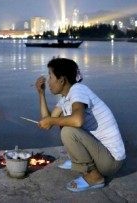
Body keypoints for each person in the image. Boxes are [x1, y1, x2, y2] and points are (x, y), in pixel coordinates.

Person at [35, 57, 125, 192]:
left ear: (62, 80)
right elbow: (48, 122)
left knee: (68, 130)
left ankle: (94, 177)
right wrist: (41, 94)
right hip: (100, 155)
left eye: (50, 76)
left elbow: (78, 120)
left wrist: (51, 121)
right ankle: (80, 161)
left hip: (111, 161)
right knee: (64, 122)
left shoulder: (78, 90)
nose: (48, 81)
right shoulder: (66, 98)